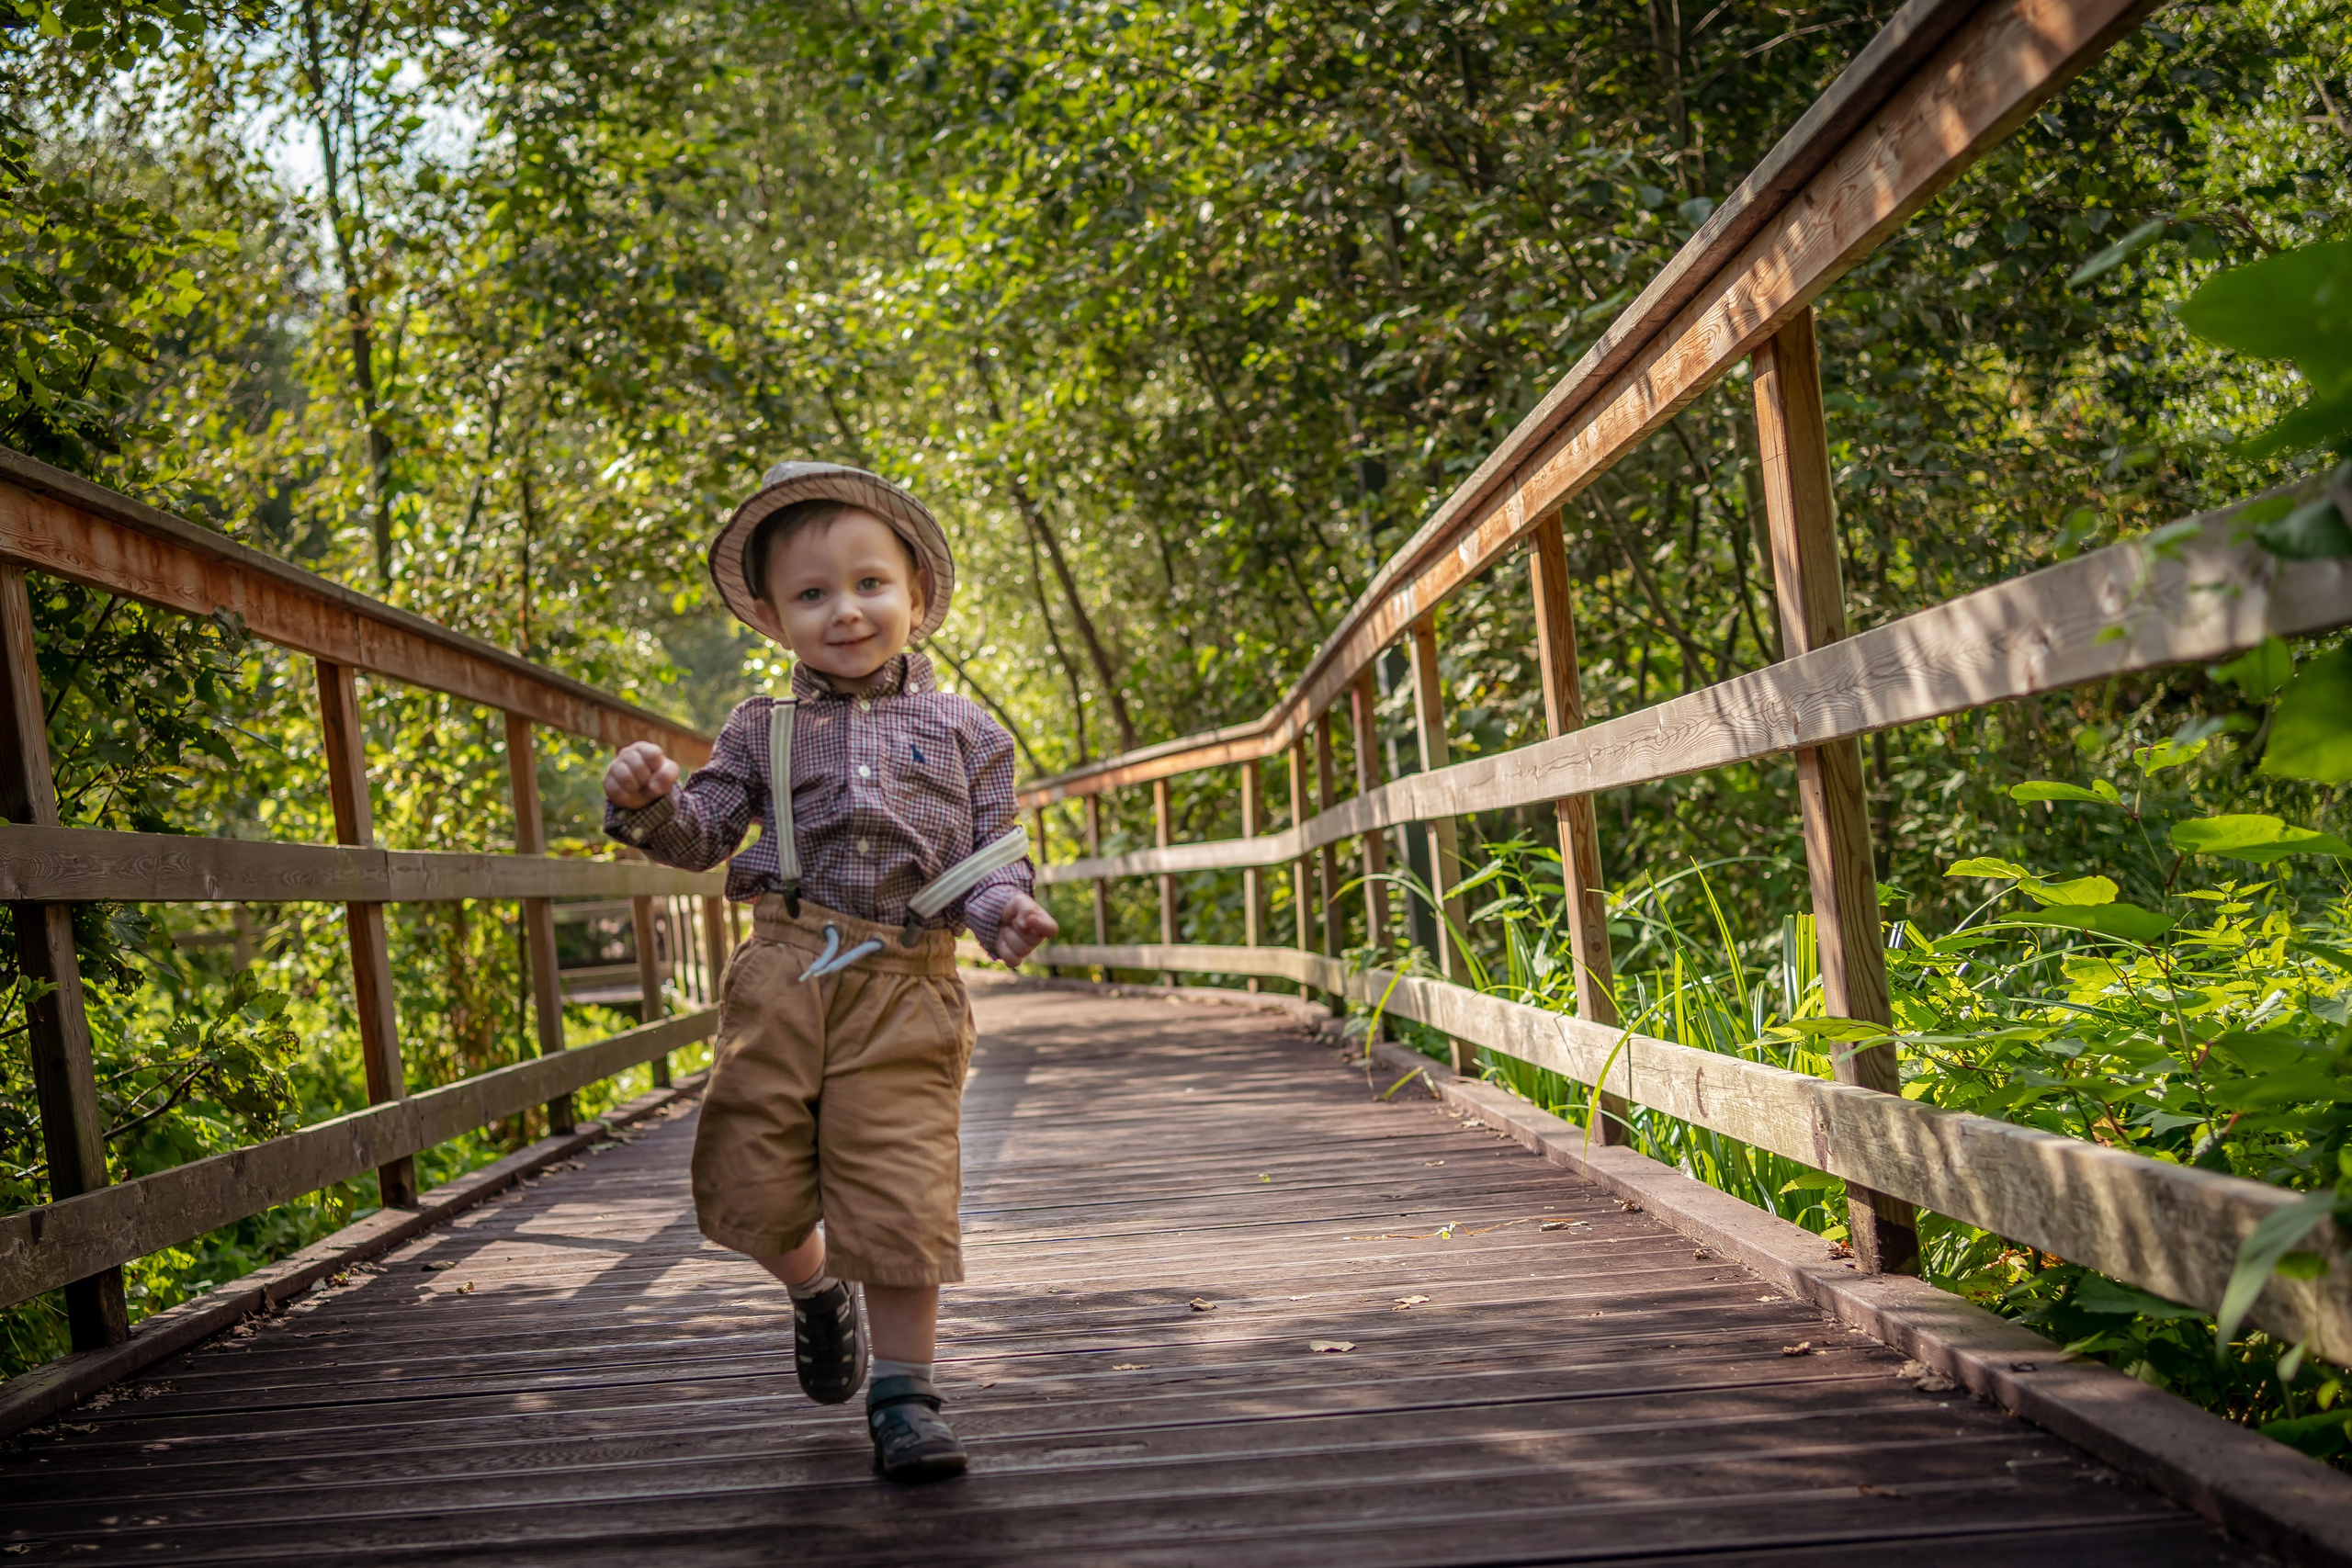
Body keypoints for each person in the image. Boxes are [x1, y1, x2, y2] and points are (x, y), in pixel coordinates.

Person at [601, 462, 1058, 1480]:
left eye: (869, 585)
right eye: (812, 594)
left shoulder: (971, 732)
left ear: (919, 598)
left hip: (908, 982)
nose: (844, 611)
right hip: (785, 967)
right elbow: (701, 835)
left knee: (901, 1188)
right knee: (747, 1181)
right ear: (772, 618)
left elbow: (991, 859)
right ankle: (813, 1288)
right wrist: (647, 805)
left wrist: (1005, 912)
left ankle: (906, 1396)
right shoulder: (759, 729)